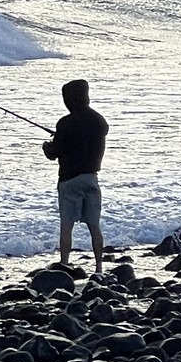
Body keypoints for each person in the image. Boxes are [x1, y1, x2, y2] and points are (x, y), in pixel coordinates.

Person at [42, 78, 108, 272]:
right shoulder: (99, 121)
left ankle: (64, 264)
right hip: (91, 178)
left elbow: (53, 153)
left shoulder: (65, 123)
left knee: (67, 225)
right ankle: (99, 267)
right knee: (94, 226)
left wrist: (47, 145)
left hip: (69, 180)